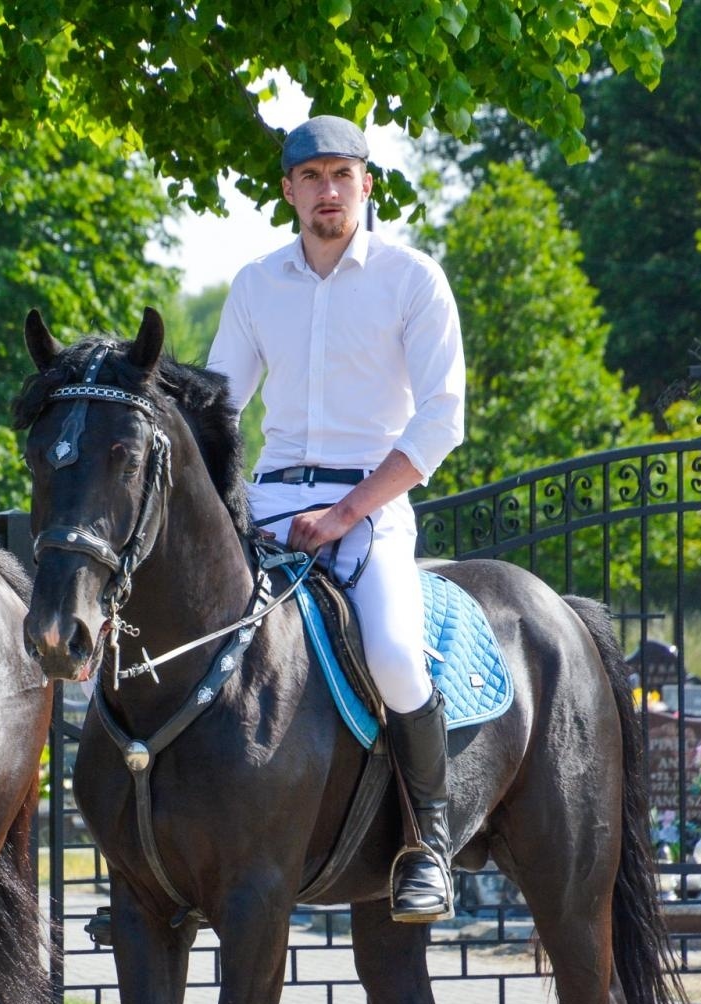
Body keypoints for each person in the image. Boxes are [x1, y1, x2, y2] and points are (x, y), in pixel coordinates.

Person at [207, 115, 466, 921]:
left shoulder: (411, 278)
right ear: (288, 190)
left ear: (366, 184)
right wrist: (232, 510)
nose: (329, 190)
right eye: (312, 177)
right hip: (269, 503)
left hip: (370, 504)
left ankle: (428, 844)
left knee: (393, 653)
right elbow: (217, 410)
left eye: (342, 175)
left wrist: (345, 512)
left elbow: (442, 419)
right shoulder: (256, 285)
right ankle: (159, 851)